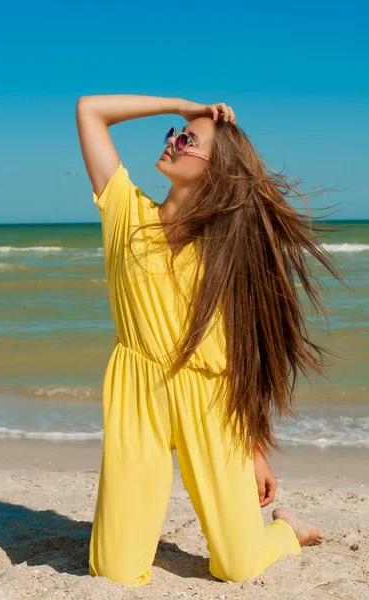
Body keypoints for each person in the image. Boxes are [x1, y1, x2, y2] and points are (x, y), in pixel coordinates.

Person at [76, 95, 345, 587]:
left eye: (189, 140)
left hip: (214, 404)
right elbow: (90, 109)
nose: (174, 141)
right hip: (137, 395)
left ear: (217, 169)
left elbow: (242, 355)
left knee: (238, 568)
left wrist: (255, 446)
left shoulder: (227, 252)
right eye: (175, 136)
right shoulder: (124, 211)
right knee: (111, 572)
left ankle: (288, 532)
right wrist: (185, 107)